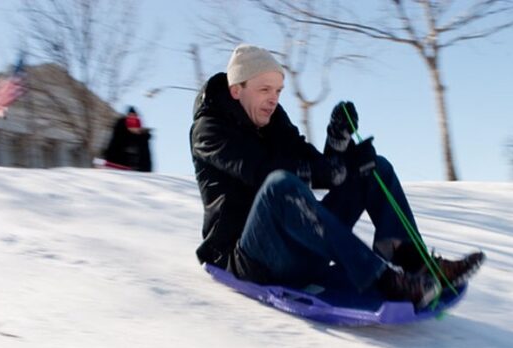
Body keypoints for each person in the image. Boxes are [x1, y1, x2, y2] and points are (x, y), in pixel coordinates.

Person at [190, 44, 484, 308]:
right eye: (264, 90)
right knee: (280, 185)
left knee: (374, 168)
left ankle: (415, 263)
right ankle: (385, 280)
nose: (273, 99)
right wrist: (321, 171)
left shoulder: (273, 121)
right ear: (236, 90)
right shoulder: (208, 130)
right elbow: (260, 171)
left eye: (278, 91)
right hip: (247, 259)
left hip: (295, 252)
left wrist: (338, 144)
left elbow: (321, 168)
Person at [103, 106, 152, 172]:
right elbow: (114, 142)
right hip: (118, 158)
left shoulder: (141, 137)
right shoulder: (121, 125)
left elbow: (146, 155)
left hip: (133, 164)